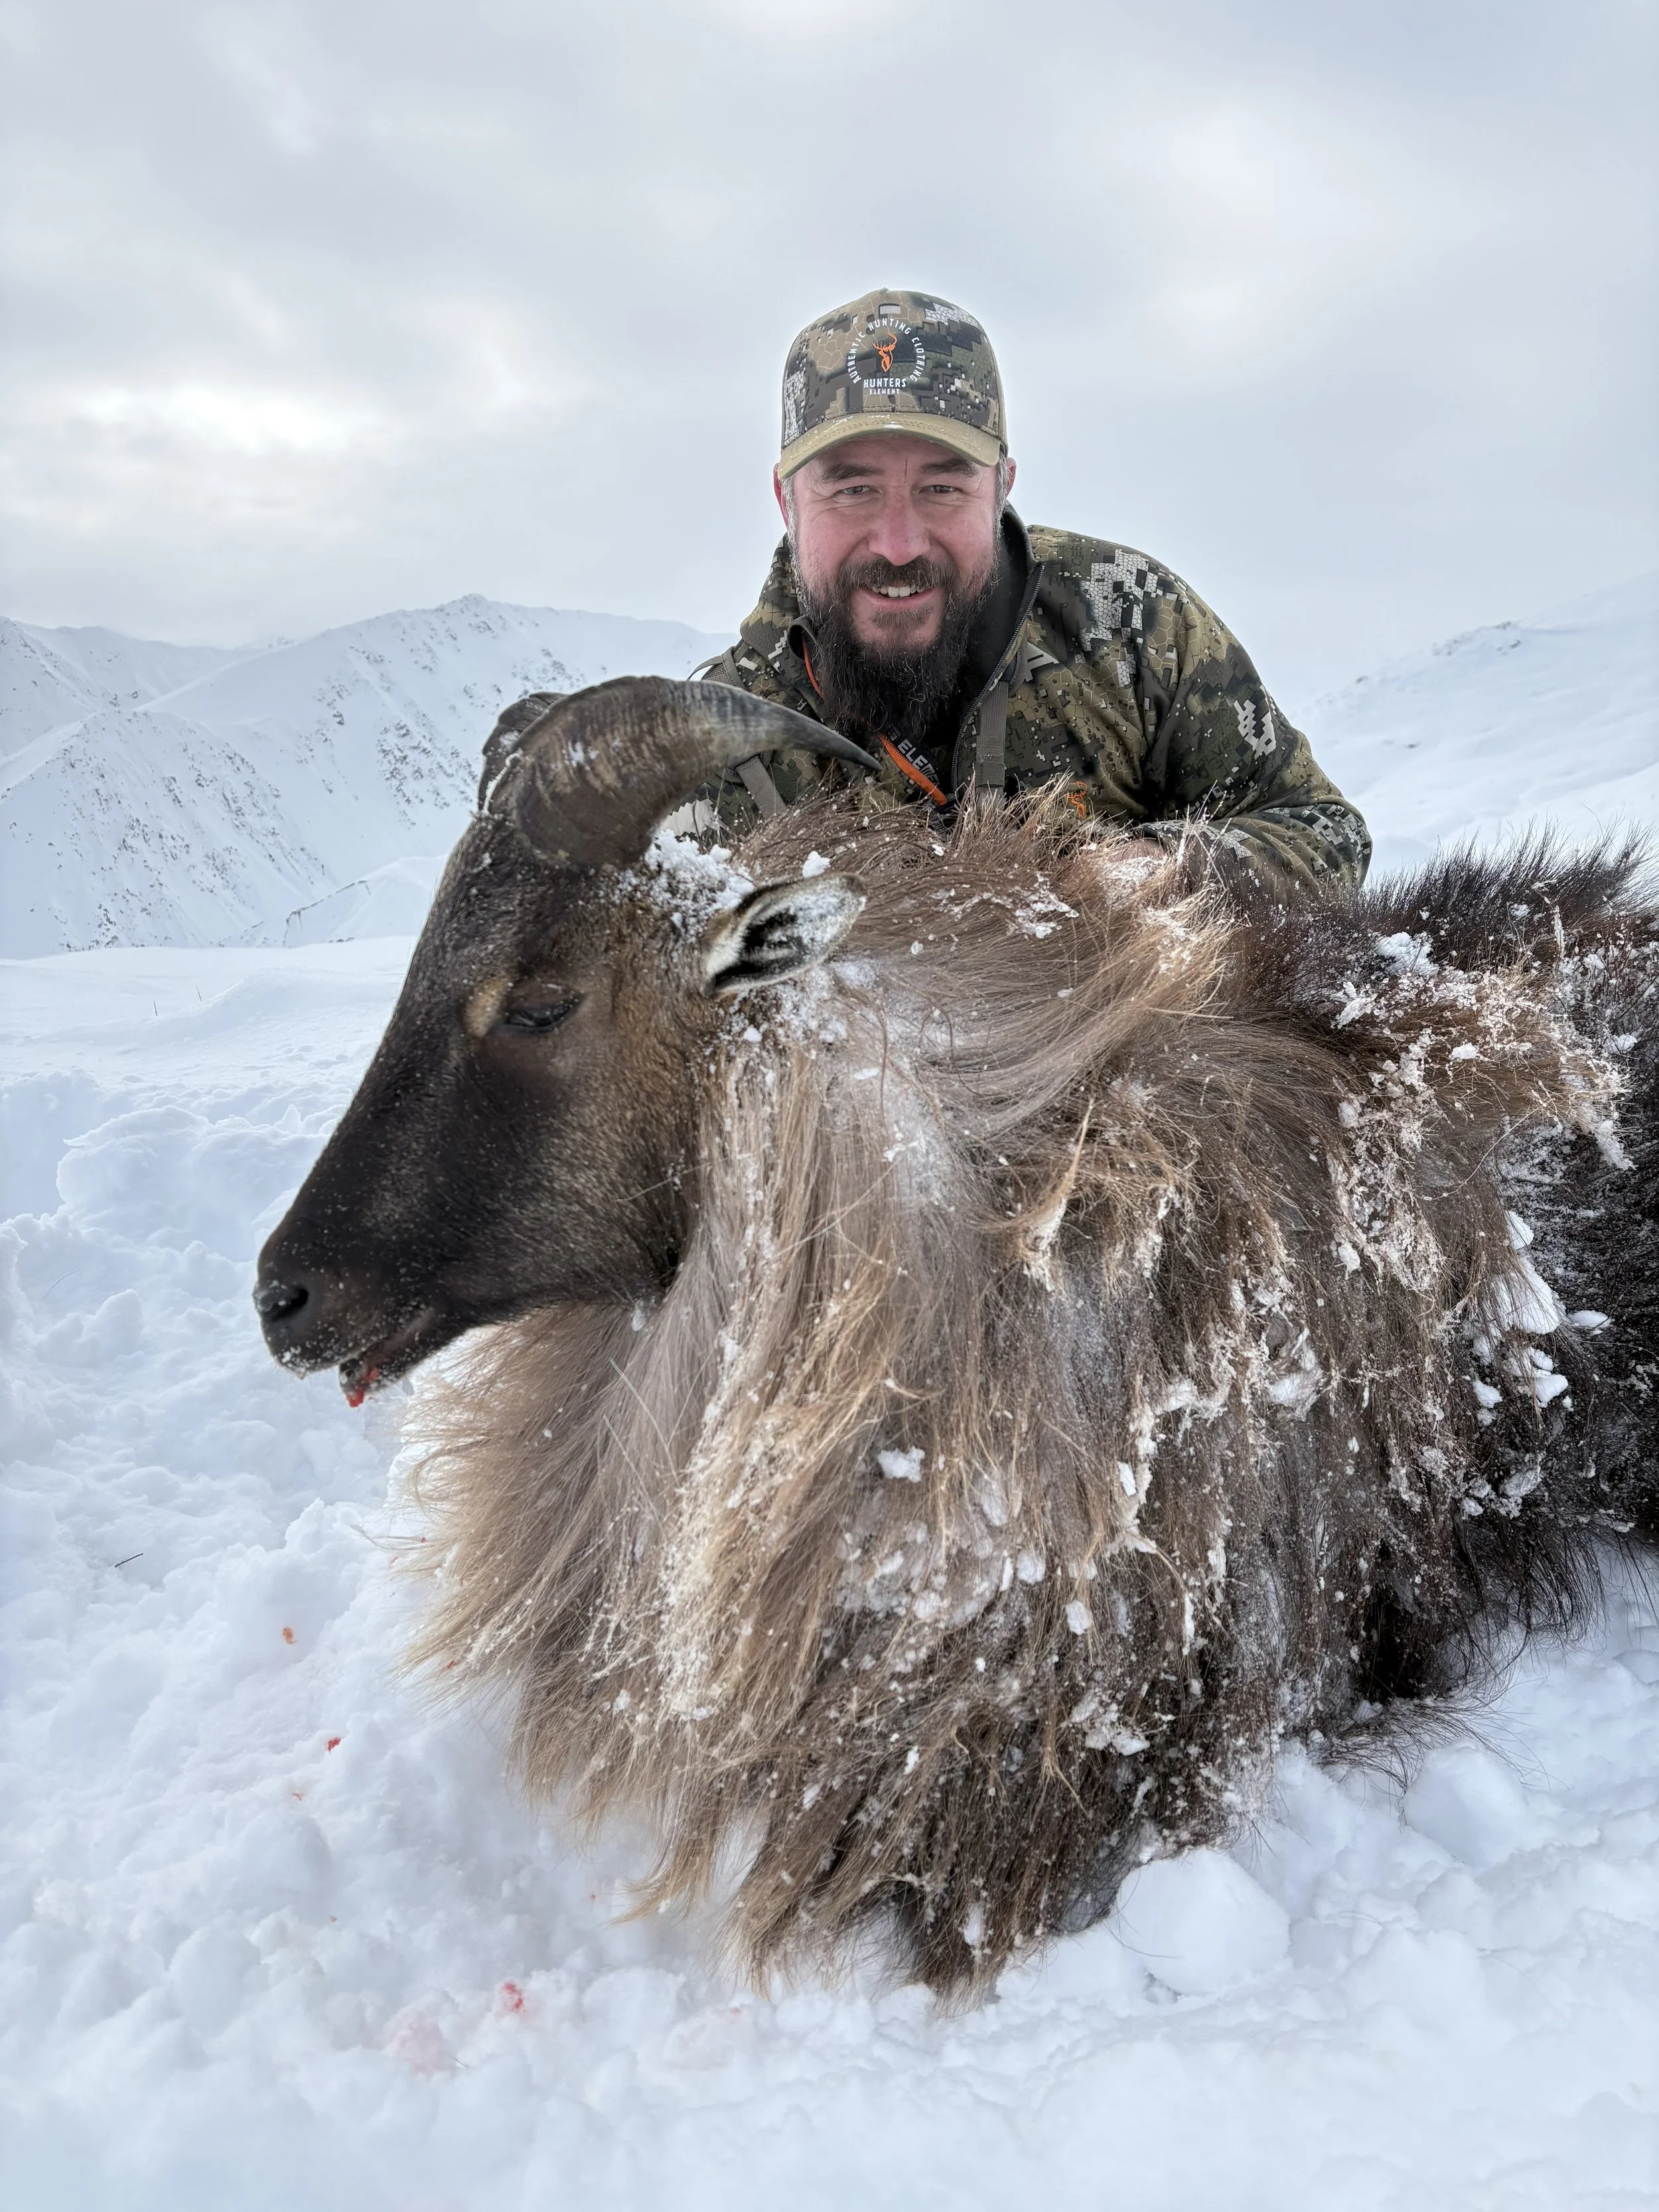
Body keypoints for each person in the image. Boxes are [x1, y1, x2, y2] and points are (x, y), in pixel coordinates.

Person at [702, 288, 1370, 894]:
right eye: (852, 490)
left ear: (1001, 487)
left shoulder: (1130, 619)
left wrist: (1154, 873)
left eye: (943, 488)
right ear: (786, 502)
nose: (898, 545)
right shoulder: (712, 748)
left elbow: (1321, 835)